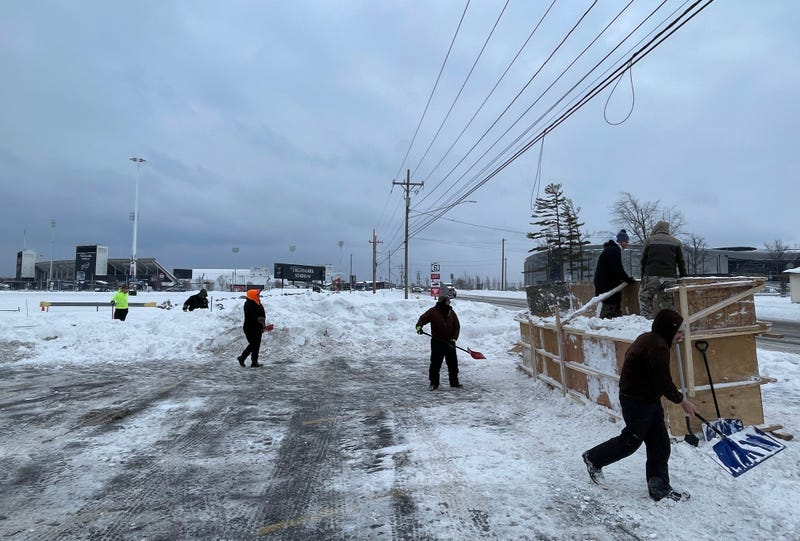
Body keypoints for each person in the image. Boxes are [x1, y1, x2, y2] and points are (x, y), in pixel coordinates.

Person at [581, 308, 699, 502]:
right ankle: (594, 458)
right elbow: (663, 381)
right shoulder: (658, 347)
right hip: (636, 400)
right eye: (679, 331)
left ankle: (659, 487)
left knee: (660, 443)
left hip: (646, 398)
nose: (681, 336)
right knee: (631, 441)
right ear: (668, 329)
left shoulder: (648, 338)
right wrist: (682, 401)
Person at [639, 221, 687, 319]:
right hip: (669, 277)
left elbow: (643, 259)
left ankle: (646, 322)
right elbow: (681, 262)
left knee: (645, 299)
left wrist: (643, 276)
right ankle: (668, 323)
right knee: (668, 303)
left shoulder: (649, 240)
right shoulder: (676, 242)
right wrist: (683, 277)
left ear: (655, 229)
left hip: (651, 276)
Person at [416, 295, 461, 390]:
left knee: (453, 364)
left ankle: (454, 382)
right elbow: (422, 319)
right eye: (448, 301)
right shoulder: (433, 311)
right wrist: (419, 327)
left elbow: (457, 326)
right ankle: (434, 383)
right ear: (444, 301)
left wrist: (454, 338)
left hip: (450, 342)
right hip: (437, 341)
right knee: (435, 364)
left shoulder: (451, 312)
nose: (450, 302)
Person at [594, 229, 636, 319]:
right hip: (607, 285)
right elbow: (617, 268)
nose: (627, 244)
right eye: (626, 241)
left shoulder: (611, 249)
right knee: (609, 305)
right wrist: (627, 279)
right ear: (621, 241)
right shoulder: (613, 250)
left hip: (606, 283)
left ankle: (615, 319)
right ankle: (605, 321)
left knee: (614, 304)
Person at [237, 289, 266, 368]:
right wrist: (260, 320)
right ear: (252, 295)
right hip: (250, 327)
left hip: (258, 327)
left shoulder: (258, 303)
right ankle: (242, 357)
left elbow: (262, 315)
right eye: (257, 295)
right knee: (253, 344)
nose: (258, 296)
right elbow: (252, 316)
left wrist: (263, 325)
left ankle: (254, 362)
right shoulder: (248, 304)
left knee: (256, 345)